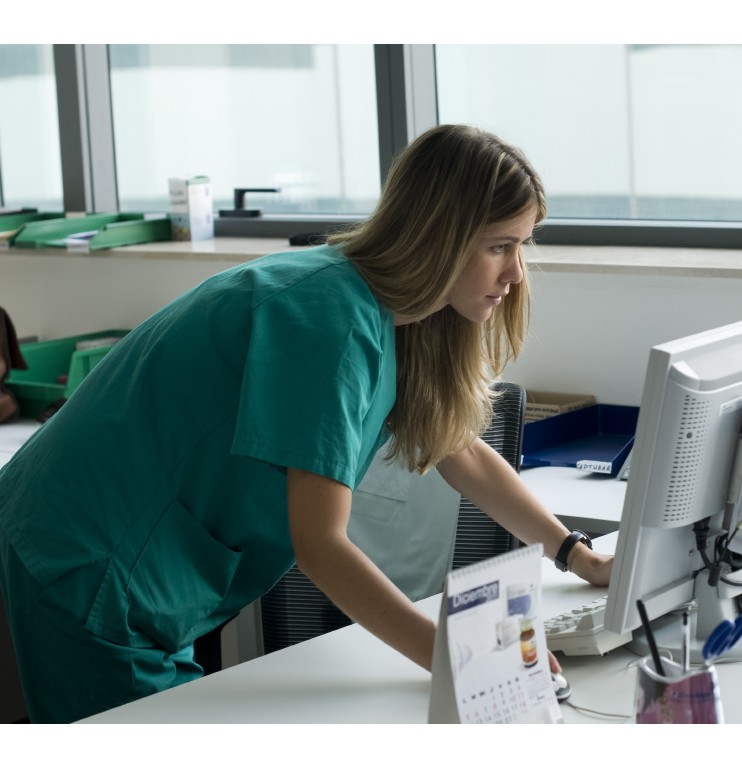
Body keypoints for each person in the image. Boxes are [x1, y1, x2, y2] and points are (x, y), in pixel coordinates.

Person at [0, 124, 613, 723]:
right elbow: (321, 545)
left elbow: (459, 447)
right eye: (499, 246)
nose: (516, 273)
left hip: (131, 571)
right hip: (81, 563)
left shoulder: (400, 311)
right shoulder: (328, 319)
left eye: (522, 246)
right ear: (439, 235)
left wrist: (575, 554)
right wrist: (456, 657)